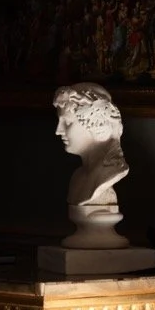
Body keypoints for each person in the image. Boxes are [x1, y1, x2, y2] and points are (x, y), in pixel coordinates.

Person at [52, 82, 127, 214]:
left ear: (94, 123)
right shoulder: (77, 177)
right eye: (60, 122)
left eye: (67, 122)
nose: (58, 131)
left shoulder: (108, 176)